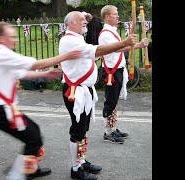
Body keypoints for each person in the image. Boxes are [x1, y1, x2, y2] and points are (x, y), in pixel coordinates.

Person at [0, 22, 82, 180]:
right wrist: (65, 56)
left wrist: (46, 74)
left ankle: (31, 170)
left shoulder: (0, 54)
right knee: (33, 137)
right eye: (12, 36)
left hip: (2, 109)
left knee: (34, 133)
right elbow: (34, 64)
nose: (15, 39)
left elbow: (23, 73)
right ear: (1, 38)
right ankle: (19, 175)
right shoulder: (1, 54)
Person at [59, 11, 137, 180]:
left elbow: (90, 40)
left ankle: (81, 161)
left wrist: (86, 19)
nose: (84, 21)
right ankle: (75, 169)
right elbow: (97, 50)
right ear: (71, 23)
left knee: (84, 129)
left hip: (84, 90)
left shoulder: (77, 37)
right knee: (78, 130)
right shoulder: (69, 40)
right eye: (80, 20)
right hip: (75, 92)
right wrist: (124, 42)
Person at [98, 5, 148, 144]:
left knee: (114, 102)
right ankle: (107, 133)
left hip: (117, 70)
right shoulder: (106, 33)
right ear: (107, 17)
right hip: (111, 72)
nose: (118, 16)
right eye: (115, 14)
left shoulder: (112, 31)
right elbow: (118, 48)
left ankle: (113, 128)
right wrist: (137, 45)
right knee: (110, 102)